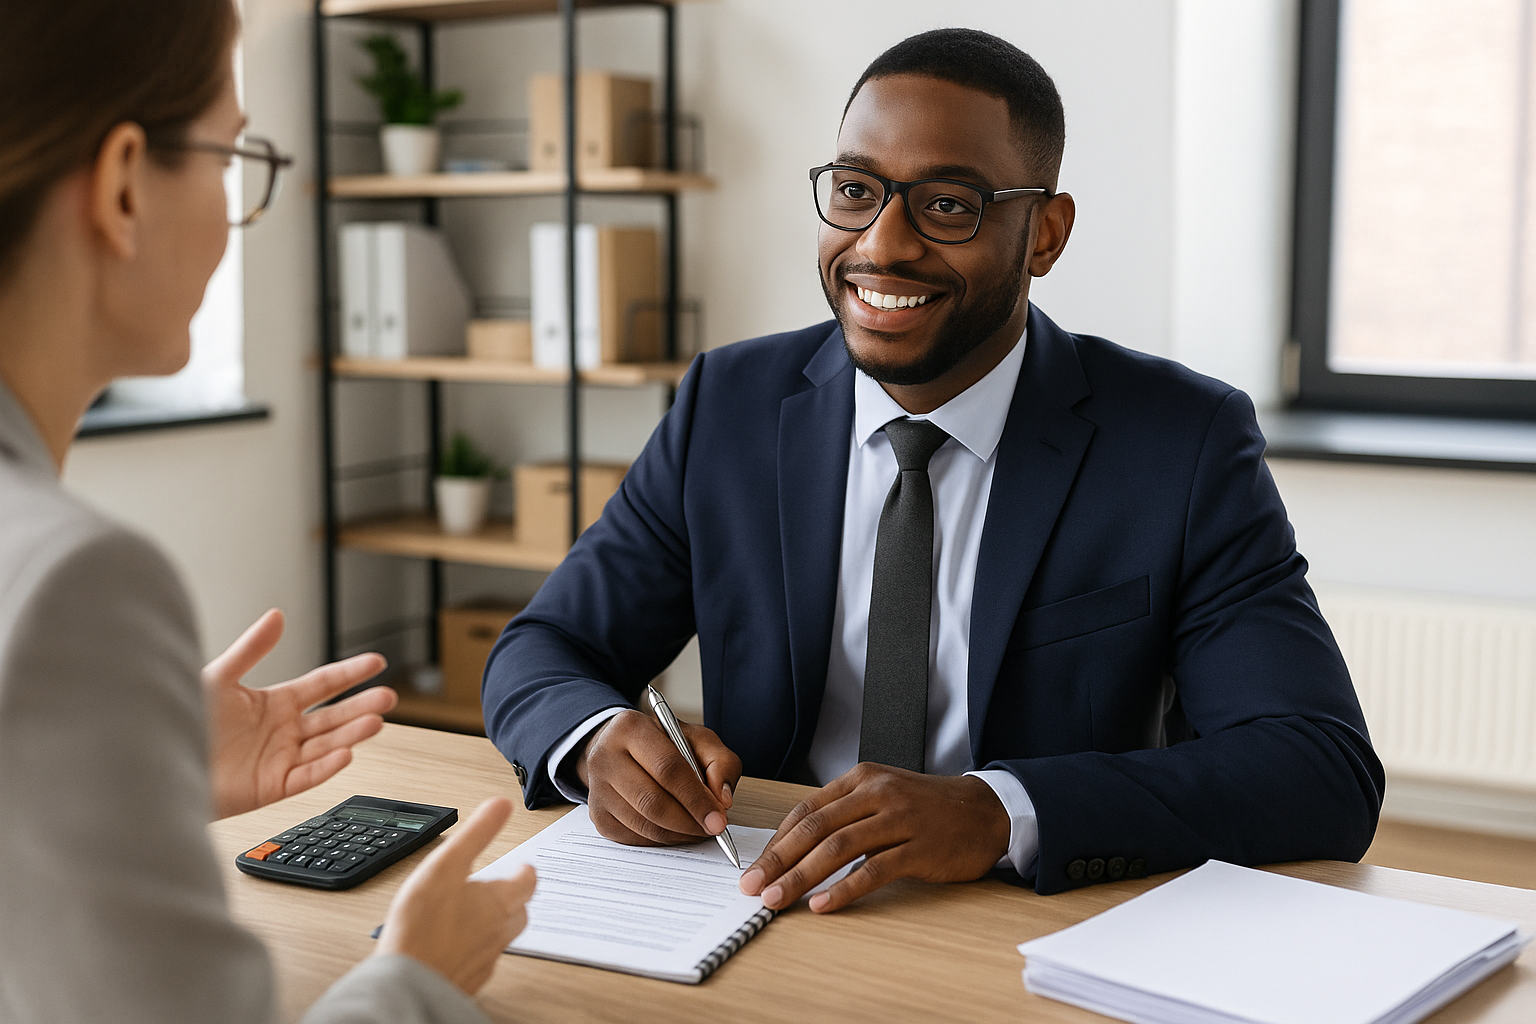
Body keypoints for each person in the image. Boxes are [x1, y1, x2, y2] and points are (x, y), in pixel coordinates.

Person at [482, 28, 1384, 910]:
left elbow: (1318, 764)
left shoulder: (1181, 443)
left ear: (1044, 234)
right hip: (759, 896)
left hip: (1025, 919)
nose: (882, 245)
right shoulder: (732, 403)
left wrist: (997, 812)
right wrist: (596, 738)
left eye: (948, 204)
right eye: (856, 190)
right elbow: (546, 647)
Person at [0, 2, 535, 1021]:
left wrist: (129, 780)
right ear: (121, 186)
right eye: (231, 154)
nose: (240, 201)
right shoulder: (70, 580)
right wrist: (418, 977)